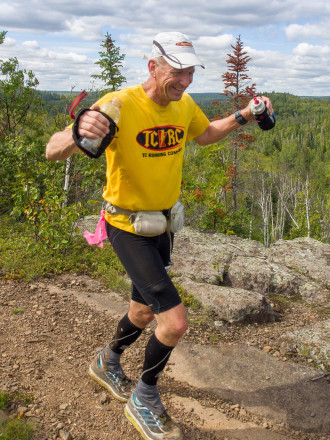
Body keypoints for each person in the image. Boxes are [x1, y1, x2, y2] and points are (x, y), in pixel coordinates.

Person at [46, 31, 274, 440]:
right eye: (177, 71)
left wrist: (244, 115)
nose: (185, 81)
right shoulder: (119, 104)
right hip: (126, 227)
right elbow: (54, 150)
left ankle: (107, 361)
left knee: (143, 312)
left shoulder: (183, 105)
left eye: (190, 72)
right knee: (175, 322)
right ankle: (144, 396)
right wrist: (80, 127)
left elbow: (204, 135)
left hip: (163, 226)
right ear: (153, 66)